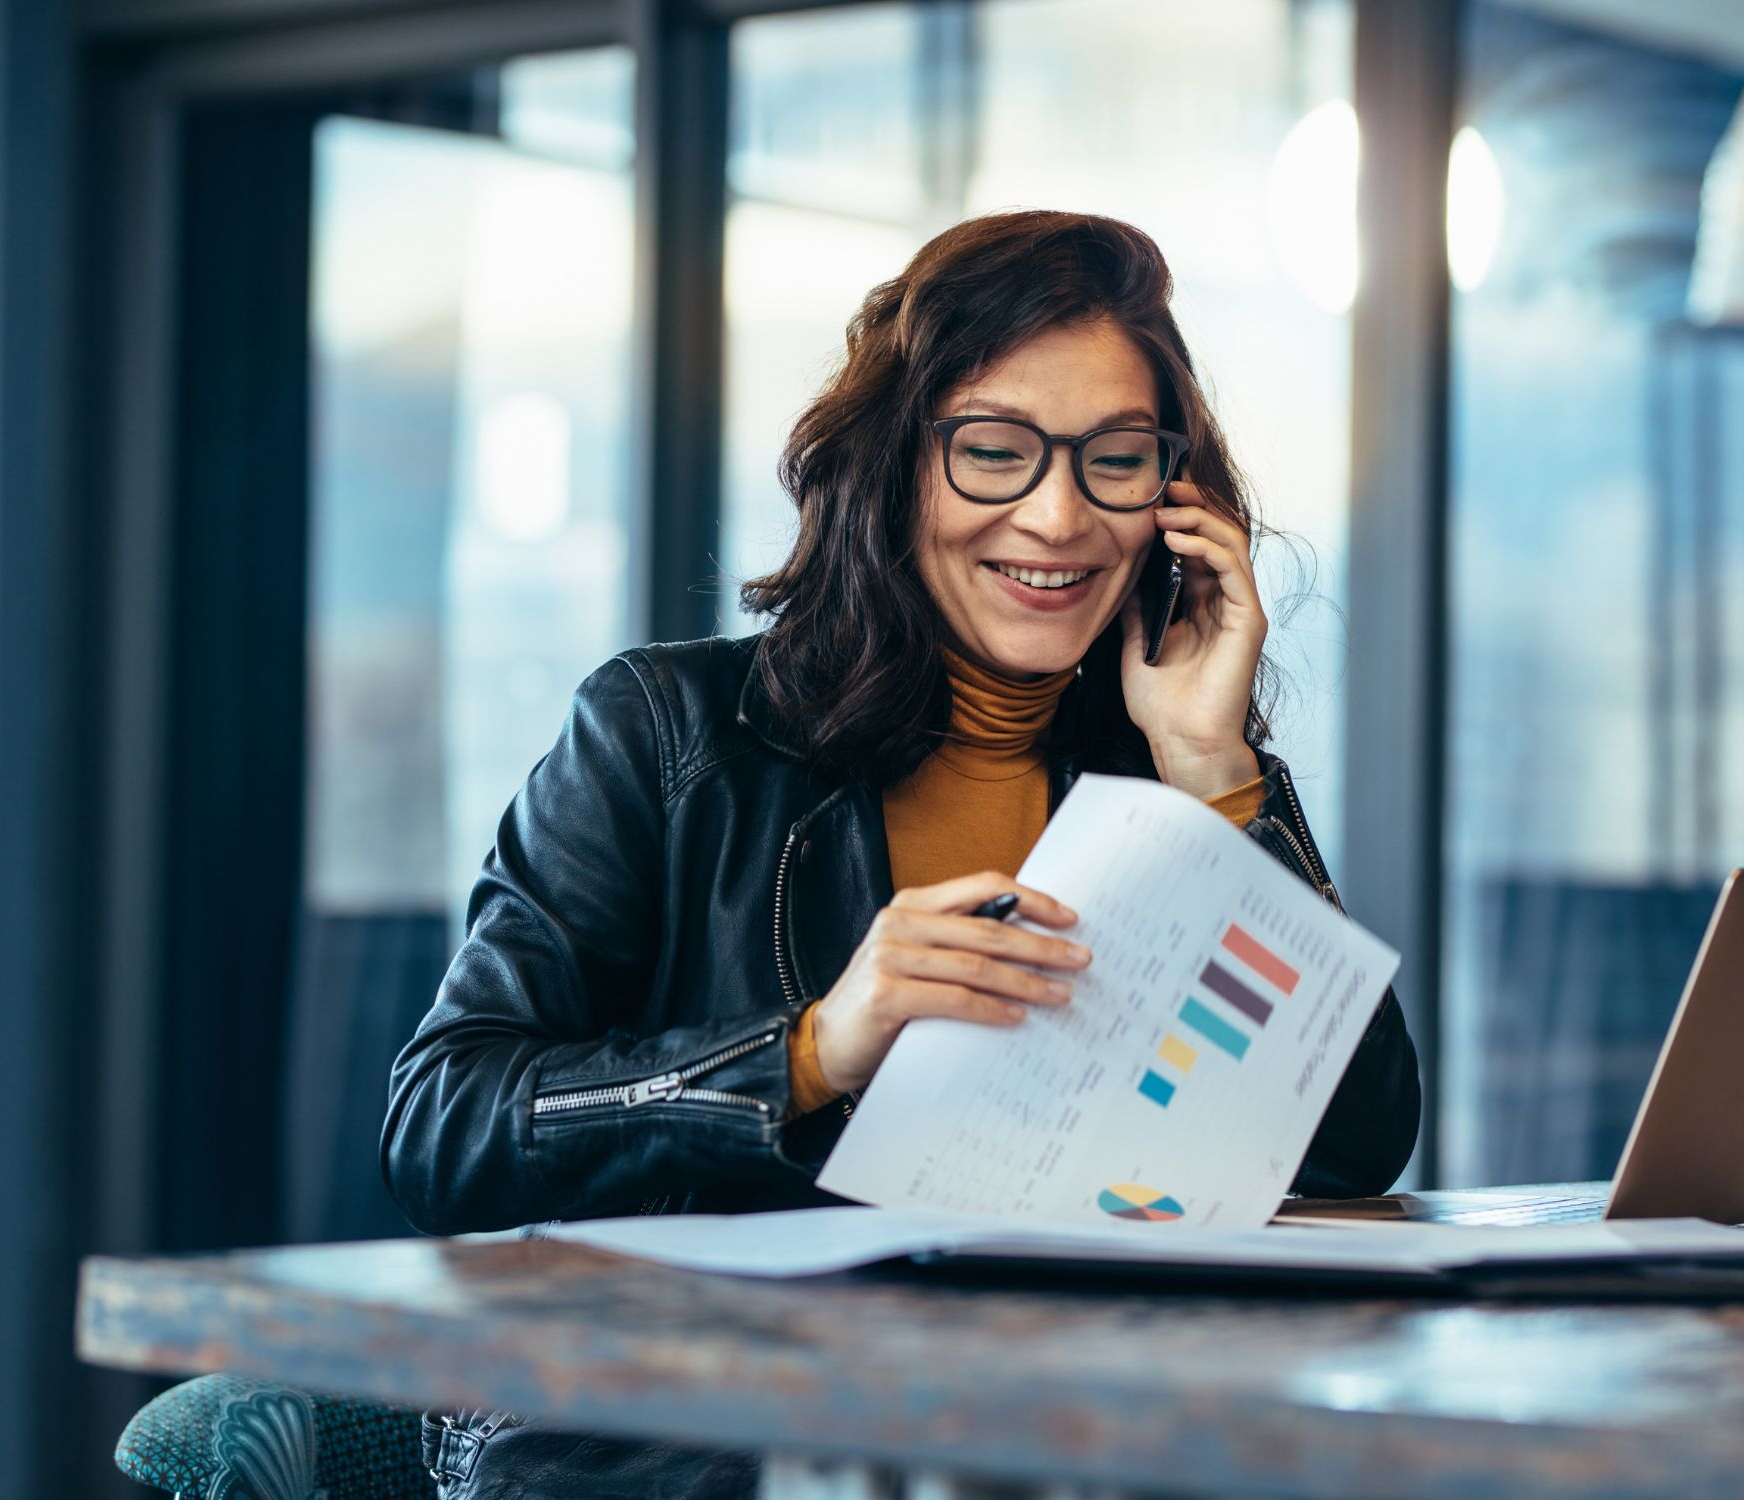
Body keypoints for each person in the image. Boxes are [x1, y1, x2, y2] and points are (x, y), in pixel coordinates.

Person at [383, 209, 1419, 1498]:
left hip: (1053, 1434)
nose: (1058, 517)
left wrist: (1215, 774)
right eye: (993, 452)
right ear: (891, 470)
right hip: (702, 1443)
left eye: (1116, 460)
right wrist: (812, 1049)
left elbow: (1355, 1140)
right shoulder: (668, 731)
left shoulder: (1160, 752)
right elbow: (444, 1128)